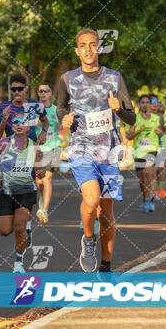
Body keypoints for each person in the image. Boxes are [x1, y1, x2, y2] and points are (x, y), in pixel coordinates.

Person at [56, 28, 136, 273]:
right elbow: (60, 109)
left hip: (108, 152)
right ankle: (88, 240)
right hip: (81, 149)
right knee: (91, 199)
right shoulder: (67, 79)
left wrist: (119, 110)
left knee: (107, 210)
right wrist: (64, 120)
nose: (89, 50)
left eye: (93, 45)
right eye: (83, 45)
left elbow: (131, 118)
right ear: (77, 50)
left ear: (100, 48)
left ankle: (106, 265)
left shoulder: (114, 78)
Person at [0, 74, 49, 248]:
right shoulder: (3, 106)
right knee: (4, 229)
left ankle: (25, 224)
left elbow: (45, 122)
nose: (16, 92)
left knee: (29, 185)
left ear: (26, 88)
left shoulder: (35, 106)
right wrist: (4, 119)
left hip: (30, 152)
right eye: (13, 89)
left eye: (20, 88)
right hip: (10, 156)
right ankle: (24, 224)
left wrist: (43, 132)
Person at [0, 113, 45, 273]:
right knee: (5, 231)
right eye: (16, 122)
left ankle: (18, 262)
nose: (19, 124)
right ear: (12, 126)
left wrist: (40, 172)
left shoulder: (34, 146)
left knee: (19, 228)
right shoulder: (5, 143)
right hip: (6, 191)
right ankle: (26, 226)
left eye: (23, 122)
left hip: (26, 191)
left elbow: (38, 168)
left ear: (28, 127)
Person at [126, 95, 162, 212]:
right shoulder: (133, 119)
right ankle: (145, 198)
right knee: (142, 179)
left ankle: (150, 200)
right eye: (143, 102)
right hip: (139, 151)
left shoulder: (155, 118)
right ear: (139, 105)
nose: (145, 104)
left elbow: (162, 133)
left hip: (152, 149)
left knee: (149, 172)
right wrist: (138, 131)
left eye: (147, 102)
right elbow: (129, 137)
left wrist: (160, 132)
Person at [34, 81, 61, 223]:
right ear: (38, 94)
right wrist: (35, 123)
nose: (43, 93)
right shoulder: (34, 110)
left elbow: (61, 127)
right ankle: (42, 201)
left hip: (53, 147)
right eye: (41, 91)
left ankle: (44, 210)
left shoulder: (56, 110)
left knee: (47, 179)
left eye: (46, 91)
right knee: (39, 182)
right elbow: (26, 127)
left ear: (50, 93)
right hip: (38, 149)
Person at [153, 100, 166, 200]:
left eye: (162, 107)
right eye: (158, 107)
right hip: (153, 145)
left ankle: (161, 190)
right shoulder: (152, 118)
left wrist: (165, 130)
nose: (160, 109)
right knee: (154, 168)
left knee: (161, 168)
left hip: (163, 145)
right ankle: (155, 190)